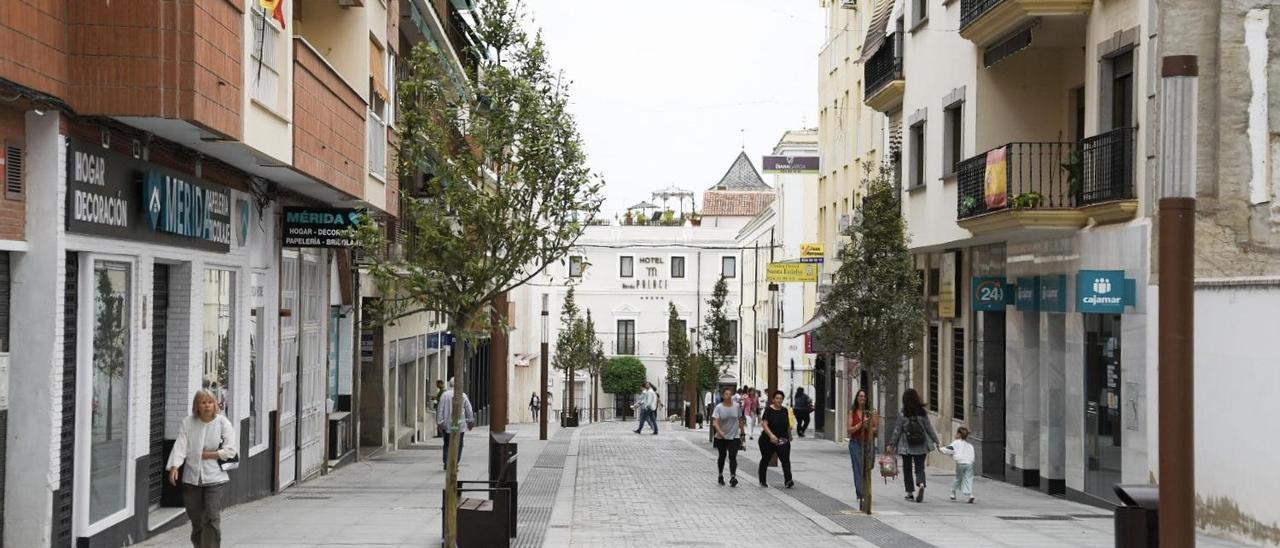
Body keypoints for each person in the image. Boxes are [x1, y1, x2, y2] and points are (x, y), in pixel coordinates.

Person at [167, 389, 238, 548]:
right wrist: (174, 466)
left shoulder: (222, 422)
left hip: (215, 478)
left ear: (215, 405)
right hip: (191, 478)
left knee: (211, 517)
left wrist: (209, 455)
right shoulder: (188, 422)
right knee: (197, 520)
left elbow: (231, 450)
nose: (207, 406)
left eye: (210, 402)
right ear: (197, 405)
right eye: (203, 402)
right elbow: (180, 445)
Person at [888, 388, 940, 502]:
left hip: (906, 446)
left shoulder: (902, 413)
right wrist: (936, 441)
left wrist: (891, 444)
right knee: (920, 468)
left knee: (907, 469)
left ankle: (910, 493)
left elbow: (897, 430)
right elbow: (929, 428)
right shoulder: (922, 412)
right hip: (921, 444)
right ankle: (921, 483)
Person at [758, 390, 795, 489]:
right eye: (777, 398)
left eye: (781, 398)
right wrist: (771, 436)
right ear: (773, 400)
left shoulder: (784, 410)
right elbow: (764, 424)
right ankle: (762, 480)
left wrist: (790, 436)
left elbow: (787, 424)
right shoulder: (768, 410)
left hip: (782, 439)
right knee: (766, 459)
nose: (779, 400)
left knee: (785, 460)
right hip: (768, 440)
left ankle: (788, 480)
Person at [437, 379, 476, 471]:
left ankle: (446, 462)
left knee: (447, 444)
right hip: (459, 424)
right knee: (459, 444)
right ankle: (455, 462)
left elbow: (440, 409)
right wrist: (470, 421)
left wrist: (440, 423)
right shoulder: (463, 395)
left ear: (450, 384)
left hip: (447, 425)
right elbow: (469, 409)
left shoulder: (444, 395)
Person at [847, 389, 877, 504]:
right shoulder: (852, 412)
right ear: (857, 398)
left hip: (868, 443)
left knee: (868, 468)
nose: (862, 398)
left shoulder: (872, 412)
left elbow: (875, 430)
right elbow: (849, 430)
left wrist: (868, 427)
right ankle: (861, 494)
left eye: (864, 396)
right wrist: (860, 425)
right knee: (858, 468)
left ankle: (865, 491)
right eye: (860, 396)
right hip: (855, 443)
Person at [712, 387, 745, 487]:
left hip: (734, 436)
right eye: (726, 394)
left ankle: (733, 477)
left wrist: (743, 433)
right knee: (722, 456)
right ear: (722, 396)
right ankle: (720, 474)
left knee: (732, 456)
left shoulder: (737, 406)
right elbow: (715, 422)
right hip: (721, 436)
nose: (728, 396)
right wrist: (720, 431)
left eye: (730, 394)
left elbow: (740, 420)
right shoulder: (718, 407)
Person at [940, 426, 976, 503]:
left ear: (959, 434)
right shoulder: (970, 445)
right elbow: (972, 455)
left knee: (958, 478)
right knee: (968, 479)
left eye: (956, 433)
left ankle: (953, 493)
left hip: (960, 463)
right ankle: (970, 494)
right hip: (969, 464)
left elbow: (948, 449)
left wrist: (940, 449)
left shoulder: (956, 443)